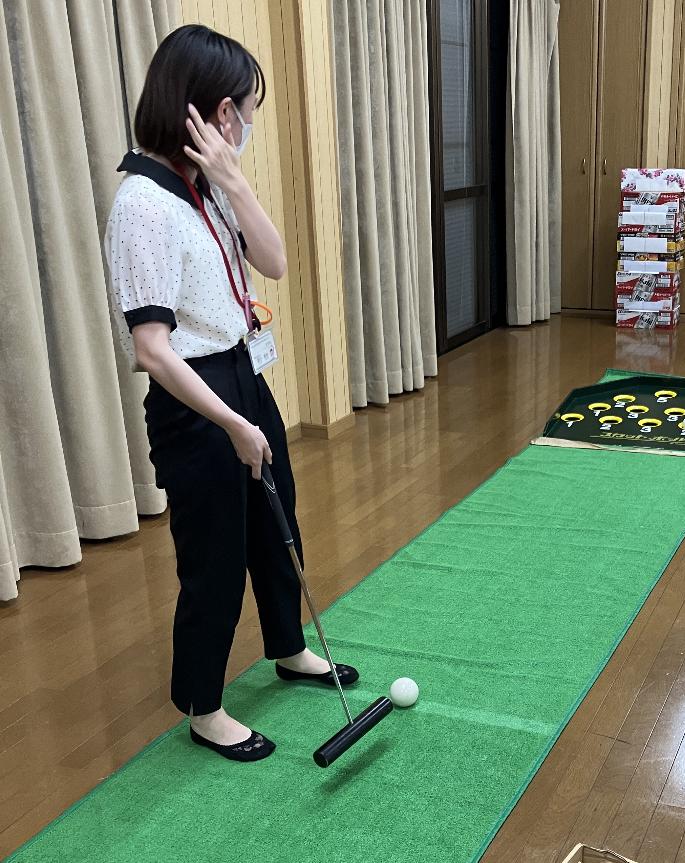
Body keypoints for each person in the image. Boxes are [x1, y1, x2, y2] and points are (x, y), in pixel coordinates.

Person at [105, 24, 358, 762]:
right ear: (220, 112)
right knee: (213, 554)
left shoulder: (204, 189)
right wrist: (232, 425)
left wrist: (235, 181)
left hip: (243, 371)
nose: (249, 122)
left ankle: (288, 647)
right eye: (247, 110)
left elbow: (273, 262)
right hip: (194, 400)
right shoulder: (142, 205)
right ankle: (205, 707)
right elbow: (152, 349)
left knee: (276, 523)